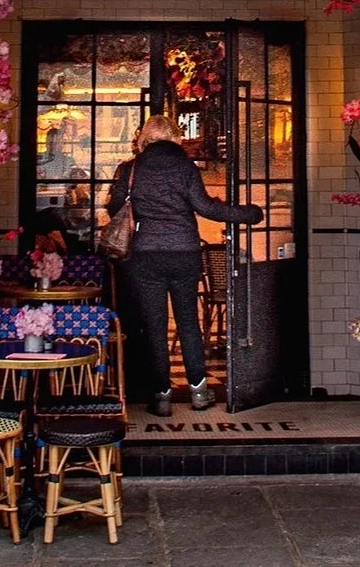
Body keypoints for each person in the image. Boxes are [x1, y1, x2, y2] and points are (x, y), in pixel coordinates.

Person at [106, 113, 263, 417]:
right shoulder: (185, 168)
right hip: (184, 252)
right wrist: (247, 214)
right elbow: (205, 207)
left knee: (155, 326)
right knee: (188, 322)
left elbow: (114, 207)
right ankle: (200, 392)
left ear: (145, 138)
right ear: (176, 137)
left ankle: (162, 397)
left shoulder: (131, 168)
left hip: (146, 254)